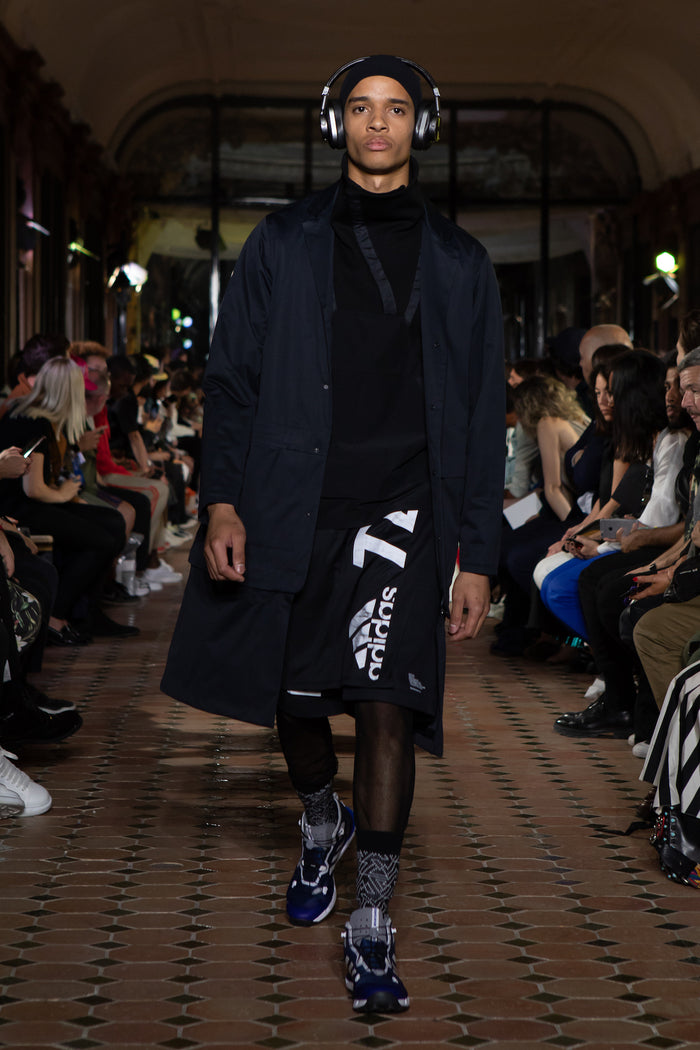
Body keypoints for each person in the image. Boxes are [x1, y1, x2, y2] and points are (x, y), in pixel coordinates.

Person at [162, 54, 504, 1014]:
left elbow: (483, 416)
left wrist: (478, 554)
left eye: (396, 109)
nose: (378, 123)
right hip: (294, 501)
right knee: (295, 697)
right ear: (336, 124)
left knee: (388, 704)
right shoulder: (283, 242)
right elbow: (231, 381)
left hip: (407, 511)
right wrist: (222, 500)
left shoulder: (461, 263)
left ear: (420, 127)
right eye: (361, 107)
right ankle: (322, 820)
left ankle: (372, 918)